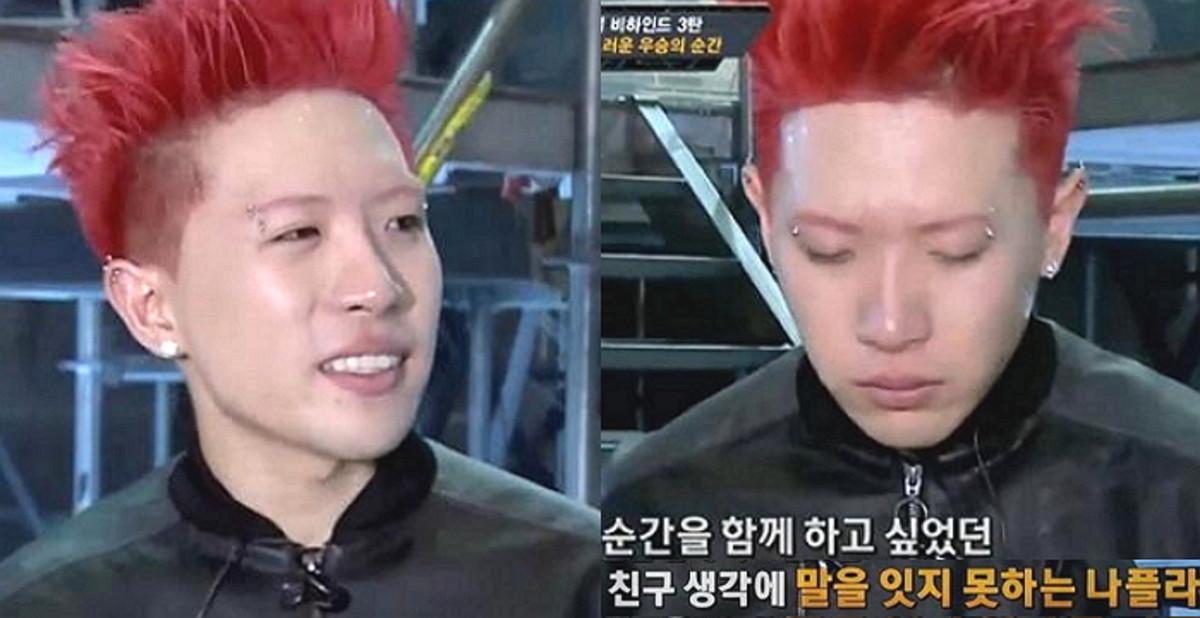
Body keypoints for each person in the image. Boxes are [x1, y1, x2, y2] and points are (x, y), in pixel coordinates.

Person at [0, 0, 598, 616]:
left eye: (402, 222)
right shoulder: (50, 603)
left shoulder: (582, 581)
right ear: (150, 308)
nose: (379, 286)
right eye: (299, 233)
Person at [604, 0, 1200, 580]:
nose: (891, 326)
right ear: (765, 221)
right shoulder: (664, 504)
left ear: (1055, 226)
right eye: (827, 249)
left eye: (958, 250)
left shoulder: (1181, 488)